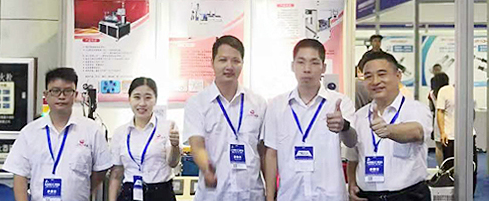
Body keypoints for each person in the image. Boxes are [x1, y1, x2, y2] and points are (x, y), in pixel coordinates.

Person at [264, 39, 357, 201]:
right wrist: (270, 197)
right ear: (292, 66)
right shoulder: (276, 105)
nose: (307, 69)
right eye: (301, 62)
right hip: (291, 195)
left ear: (323, 67)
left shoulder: (340, 102)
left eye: (314, 63)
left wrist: (344, 126)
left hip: (329, 196)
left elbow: (351, 142)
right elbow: (271, 154)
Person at [3, 68, 113, 201]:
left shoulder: (92, 130)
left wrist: (82, 190)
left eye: (67, 91)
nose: (61, 96)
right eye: (55, 91)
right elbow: (20, 175)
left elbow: (100, 170)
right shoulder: (29, 132)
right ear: (46, 95)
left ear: (75, 95)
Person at [183, 35, 266, 201]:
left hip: (251, 194)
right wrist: (207, 169)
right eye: (223, 60)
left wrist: (271, 192)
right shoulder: (197, 103)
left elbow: (263, 151)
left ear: (242, 63)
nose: (229, 66)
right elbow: (197, 145)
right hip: (214, 195)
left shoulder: (258, 103)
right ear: (212, 62)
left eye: (235, 61)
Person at [346, 51, 432, 201]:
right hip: (367, 196)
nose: (375, 81)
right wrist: (352, 182)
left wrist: (388, 130)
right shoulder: (359, 116)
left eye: (382, 74)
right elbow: (353, 156)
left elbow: (417, 132)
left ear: (398, 75)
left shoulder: (416, 109)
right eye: (368, 76)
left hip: (407, 196)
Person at [109, 77, 180, 201]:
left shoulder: (168, 127)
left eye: (148, 97)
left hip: (161, 193)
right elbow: (116, 174)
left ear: (155, 100)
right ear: (129, 99)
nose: (142, 103)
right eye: (137, 97)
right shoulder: (120, 132)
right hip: (129, 193)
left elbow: (172, 163)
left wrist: (175, 146)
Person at [436, 81, 477, 193]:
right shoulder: (445, 91)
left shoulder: (469, 90)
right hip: (450, 136)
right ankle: (451, 193)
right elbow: (440, 112)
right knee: (450, 168)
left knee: (472, 167)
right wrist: (442, 132)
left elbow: (472, 111)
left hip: (469, 135)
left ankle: (470, 194)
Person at [428, 72, 449, 166]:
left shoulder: (431, 94)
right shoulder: (449, 92)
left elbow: (431, 108)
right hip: (448, 119)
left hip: (437, 121)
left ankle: (441, 167)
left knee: (438, 146)